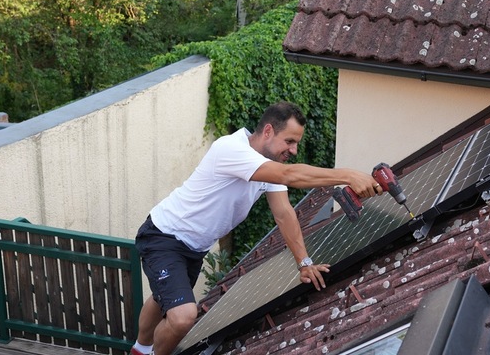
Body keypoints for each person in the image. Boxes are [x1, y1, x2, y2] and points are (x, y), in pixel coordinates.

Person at [129, 101, 382, 355]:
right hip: (164, 235)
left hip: (194, 247)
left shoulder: (267, 164)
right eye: (290, 141)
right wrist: (348, 174)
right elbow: (289, 176)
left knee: (164, 298)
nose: (293, 150)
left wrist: (304, 263)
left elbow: (284, 214)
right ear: (269, 131)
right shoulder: (230, 149)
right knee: (183, 316)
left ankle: (139, 349)